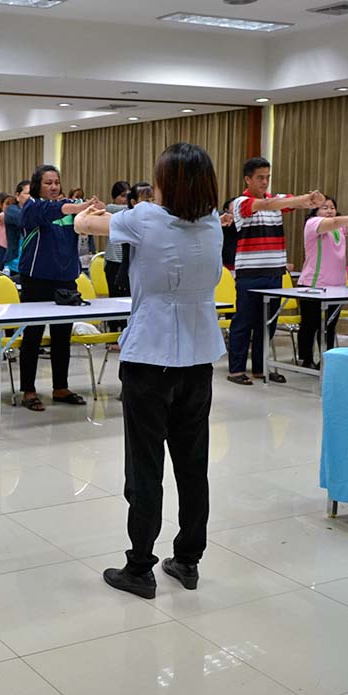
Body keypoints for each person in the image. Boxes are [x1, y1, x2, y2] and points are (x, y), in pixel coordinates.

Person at [75, 142, 226, 599]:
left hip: (149, 359)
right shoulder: (213, 221)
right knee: (193, 465)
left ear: (165, 183)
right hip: (198, 359)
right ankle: (188, 559)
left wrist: (90, 211)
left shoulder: (144, 218)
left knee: (145, 466)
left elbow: (84, 225)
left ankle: (139, 567)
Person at [226, 158, 324, 386]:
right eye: (260, 177)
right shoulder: (241, 202)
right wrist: (301, 199)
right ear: (248, 179)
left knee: (267, 324)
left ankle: (261, 368)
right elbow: (268, 205)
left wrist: (310, 200)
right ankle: (236, 369)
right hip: (249, 273)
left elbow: (292, 203)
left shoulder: (276, 200)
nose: (265, 182)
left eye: (267, 177)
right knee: (243, 322)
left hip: (274, 272)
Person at [17, 164, 103, 411]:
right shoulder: (33, 207)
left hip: (65, 279)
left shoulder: (71, 208)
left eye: (56, 182)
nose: (54, 187)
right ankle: (28, 390)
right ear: (37, 185)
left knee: (62, 335)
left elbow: (89, 221)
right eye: (48, 183)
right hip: (36, 278)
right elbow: (55, 209)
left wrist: (96, 210)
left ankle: (60, 387)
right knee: (33, 336)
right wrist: (78, 206)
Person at [296, 197, 348, 369]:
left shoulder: (339, 228)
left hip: (336, 286)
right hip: (313, 285)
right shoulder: (313, 224)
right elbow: (336, 221)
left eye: (332, 207)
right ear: (315, 211)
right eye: (324, 208)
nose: (329, 211)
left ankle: (327, 359)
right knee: (310, 324)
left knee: (329, 326)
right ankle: (305, 359)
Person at [103, 181, 131, 297]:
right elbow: (126, 210)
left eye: (128, 196)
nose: (126, 199)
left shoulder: (132, 212)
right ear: (114, 197)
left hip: (127, 261)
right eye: (123, 196)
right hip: (114, 261)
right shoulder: (110, 209)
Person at [2, 179, 30, 277]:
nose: (31, 197)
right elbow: (26, 221)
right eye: (28, 193)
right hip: (15, 264)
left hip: (33, 264)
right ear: (18, 196)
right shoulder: (11, 210)